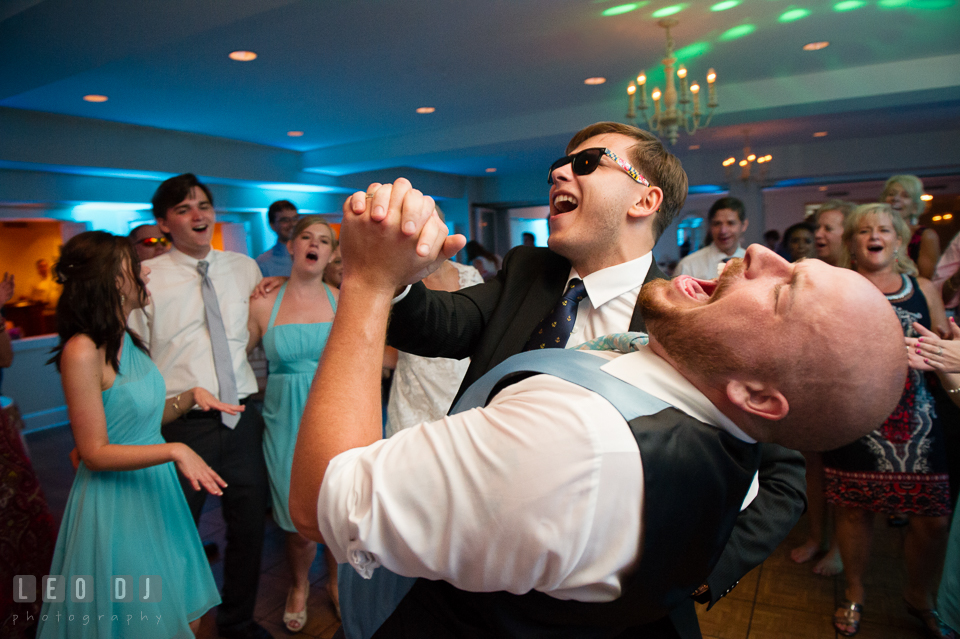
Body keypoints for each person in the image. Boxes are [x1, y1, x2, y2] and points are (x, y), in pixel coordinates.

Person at [288, 181, 907, 639]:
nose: (756, 256)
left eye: (782, 289)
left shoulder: (578, 440)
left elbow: (321, 499)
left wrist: (368, 281)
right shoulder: (702, 389)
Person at [339, 123, 804, 639]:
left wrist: (701, 573)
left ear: (644, 199)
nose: (558, 171)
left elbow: (782, 474)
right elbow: (439, 322)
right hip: (473, 578)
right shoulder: (527, 271)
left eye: (586, 163)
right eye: (560, 165)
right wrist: (388, 272)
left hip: (613, 613)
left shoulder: (693, 314)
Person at [36, 231, 230, 638]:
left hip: (155, 493)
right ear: (110, 280)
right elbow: (93, 452)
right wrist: (176, 449)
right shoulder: (82, 351)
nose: (143, 269)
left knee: (187, 614)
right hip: (117, 504)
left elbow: (137, 422)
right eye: (131, 263)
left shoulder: (127, 339)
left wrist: (189, 398)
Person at [128, 173, 272, 639]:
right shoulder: (147, 278)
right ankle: (174, 625)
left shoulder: (243, 267)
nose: (199, 215)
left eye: (204, 205)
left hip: (242, 417)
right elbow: (138, 355)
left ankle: (238, 623)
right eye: (185, 208)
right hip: (182, 427)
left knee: (249, 530)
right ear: (164, 222)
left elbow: (250, 331)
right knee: (177, 534)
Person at [824, 203, 957, 638]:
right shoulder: (840, 286)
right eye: (863, 230)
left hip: (919, 416)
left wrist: (944, 355)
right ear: (852, 244)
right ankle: (855, 593)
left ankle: (920, 596)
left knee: (934, 520)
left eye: (883, 229)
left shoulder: (924, 287)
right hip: (857, 412)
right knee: (853, 510)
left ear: (899, 240)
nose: (873, 236)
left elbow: (941, 347)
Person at [247, 215, 340, 631]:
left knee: (339, 509)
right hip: (284, 418)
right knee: (294, 516)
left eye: (324, 240)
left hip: (334, 413)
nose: (314, 244)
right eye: (306, 236)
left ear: (333, 253)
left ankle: (338, 582)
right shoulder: (264, 301)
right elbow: (232, 359)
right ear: (291, 244)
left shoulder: (344, 299)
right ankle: (299, 584)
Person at [385, 256, 484, 437]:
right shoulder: (397, 277)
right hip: (412, 396)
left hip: (460, 390)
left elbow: (483, 338)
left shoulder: (469, 276)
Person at [675, 197, 749, 279]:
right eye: (717, 224)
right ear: (710, 226)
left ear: (744, 225)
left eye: (730, 223)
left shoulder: (752, 263)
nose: (723, 231)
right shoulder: (688, 266)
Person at [883, 174, 940, 279]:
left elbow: (925, 281)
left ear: (915, 206)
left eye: (905, 196)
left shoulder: (925, 236)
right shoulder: (875, 235)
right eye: (891, 194)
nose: (895, 199)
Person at [256, 200, 300, 277]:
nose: (292, 224)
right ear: (272, 225)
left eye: (295, 219)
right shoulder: (262, 263)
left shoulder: (310, 255)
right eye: (285, 220)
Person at [813, 199, 855, 266]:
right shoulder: (810, 271)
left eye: (828, 229)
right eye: (817, 227)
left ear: (848, 234)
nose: (817, 234)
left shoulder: (861, 273)